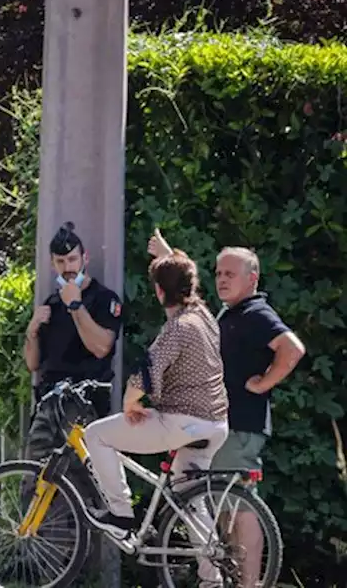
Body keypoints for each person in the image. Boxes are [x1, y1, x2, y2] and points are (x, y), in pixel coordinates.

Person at [149, 229, 306, 586]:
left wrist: (264, 382)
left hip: (240, 425)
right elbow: (190, 300)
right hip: (220, 424)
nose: (221, 279)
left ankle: (249, 585)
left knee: (241, 508)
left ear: (252, 279)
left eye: (229, 274)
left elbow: (292, 348)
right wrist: (167, 255)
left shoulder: (255, 312)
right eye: (218, 273)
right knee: (222, 507)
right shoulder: (229, 313)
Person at [83, 249, 229, 560]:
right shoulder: (204, 318)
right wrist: (169, 256)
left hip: (182, 423)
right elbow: (185, 280)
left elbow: (148, 370)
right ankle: (212, 578)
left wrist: (129, 402)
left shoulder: (177, 327)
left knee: (96, 435)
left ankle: (121, 518)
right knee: (188, 497)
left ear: (159, 291)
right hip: (216, 424)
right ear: (190, 287)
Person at [22, 222, 123, 482]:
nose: (68, 268)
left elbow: (102, 348)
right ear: (52, 263)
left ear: (84, 258)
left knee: (82, 482)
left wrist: (76, 305)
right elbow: (33, 364)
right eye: (61, 261)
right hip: (49, 401)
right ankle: (34, 524)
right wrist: (31, 331)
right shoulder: (51, 303)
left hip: (83, 403)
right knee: (35, 478)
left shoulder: (103, 299)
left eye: (72, 259)